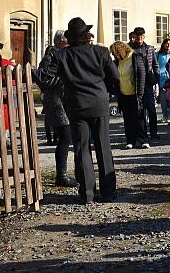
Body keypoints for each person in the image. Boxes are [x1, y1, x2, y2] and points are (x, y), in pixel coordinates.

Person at [39, 17, 118, 204]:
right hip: (99, 102)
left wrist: (66, 81)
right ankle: (108, 192)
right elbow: (114, 77)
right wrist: (104, 88)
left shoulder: (61, 55)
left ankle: (87, 193)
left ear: (70, 38)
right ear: (86, 35)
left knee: (82, 149)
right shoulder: (101, 52)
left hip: (76, 104)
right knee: (103, 148)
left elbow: (44, 77)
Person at [37, 31, 77, 187]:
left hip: (67, 100)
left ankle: (64, 173)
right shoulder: (51, 56)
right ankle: (61, 175)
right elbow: (42, 78)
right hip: (56, 101)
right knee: (65, 136)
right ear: (61, 41)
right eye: (67, 39)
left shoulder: (66, 54)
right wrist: (61, 80)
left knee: (67, 137)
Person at [110, 41, 148, 150]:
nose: (113, 55)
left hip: (135, 94)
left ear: (120, 50)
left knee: (139, 118)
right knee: (128, 119)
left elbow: (141, 76)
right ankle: (130, 140)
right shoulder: (117, 62)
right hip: (123, 94)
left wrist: (140, 95)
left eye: (114, 52)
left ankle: (143, 140)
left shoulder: (136, 57)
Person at [129, 27, 160, 140]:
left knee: (151, 109)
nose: (140, 39)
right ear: (134, 36)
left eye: (142, 36)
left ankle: (154, 133)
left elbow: (155, 65)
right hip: (135, 83)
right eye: (138, 36)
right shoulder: (130, 49)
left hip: (148, 83)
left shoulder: (149, 49)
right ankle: (142, 134)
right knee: (139, 111)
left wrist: (155, 78)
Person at [156, 39, 170, 124]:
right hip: (161, 80)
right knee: (163, 100)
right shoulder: (158, 55)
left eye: (169, 44)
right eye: (166, 44)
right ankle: (164, 115)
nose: (168, 46)